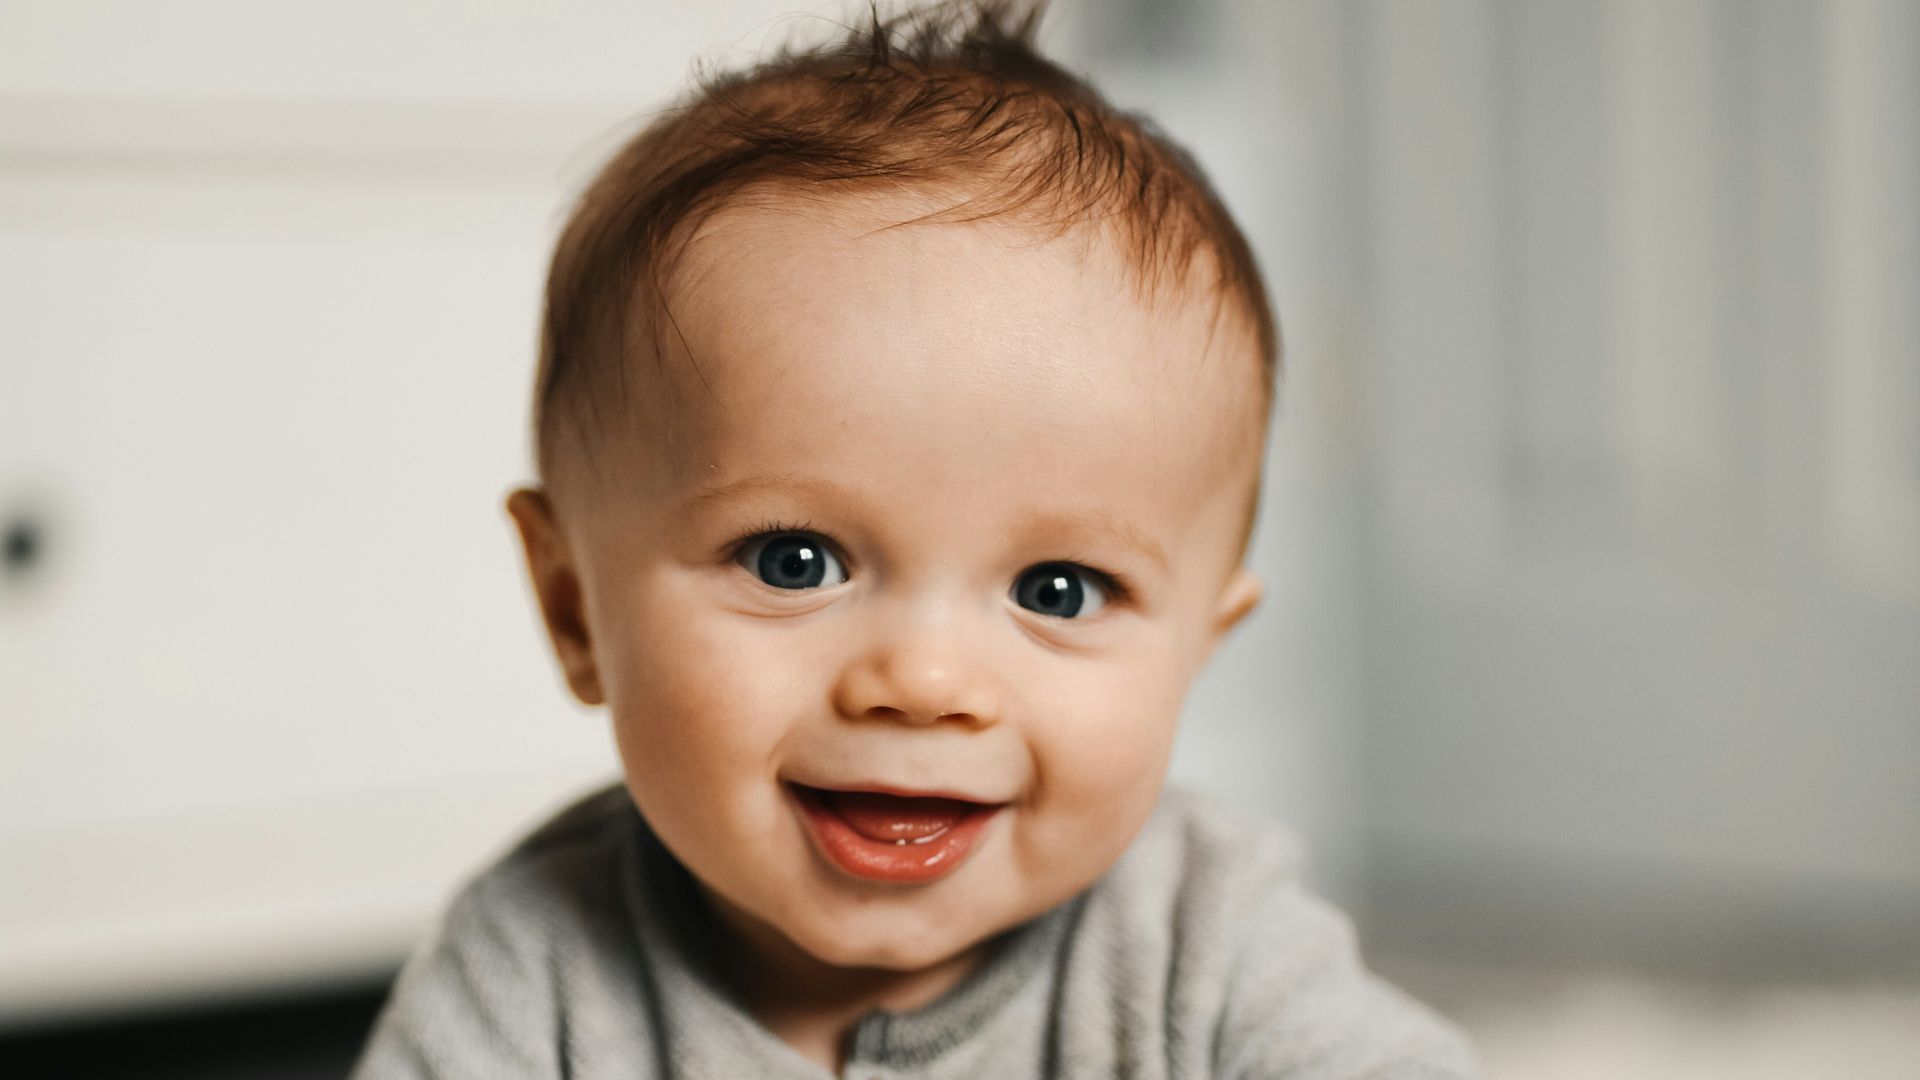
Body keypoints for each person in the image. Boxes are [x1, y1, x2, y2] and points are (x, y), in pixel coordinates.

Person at [350, 2, 1479, 1076]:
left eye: (1059, 588)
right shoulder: (535, 965)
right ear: (570, 608)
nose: (926, 683)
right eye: (795, 562)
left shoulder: (1204, 934)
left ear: (1199, 647)